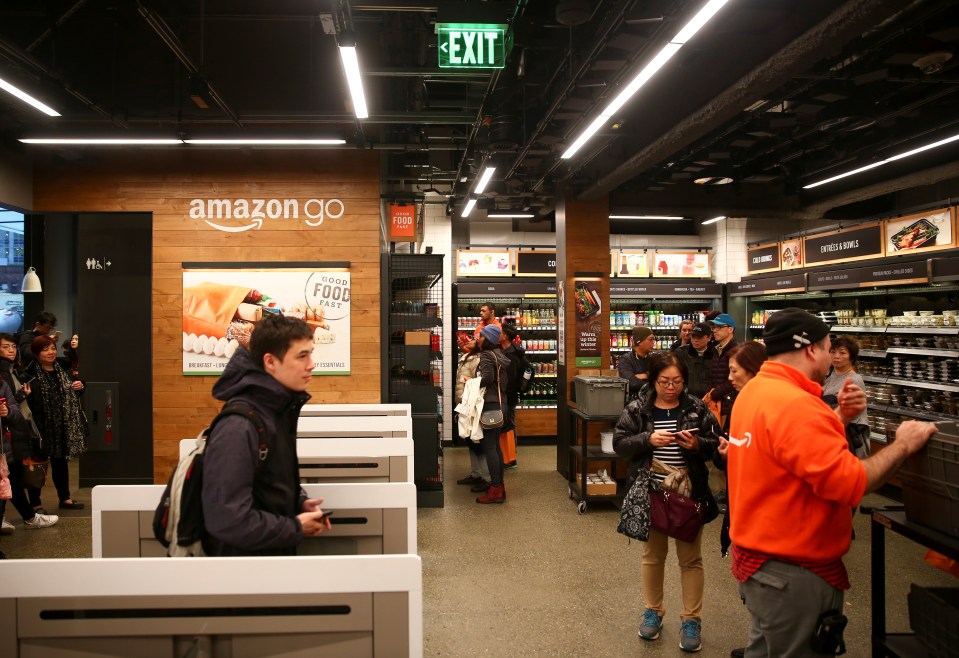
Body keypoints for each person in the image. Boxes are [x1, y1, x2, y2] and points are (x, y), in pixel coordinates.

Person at [724, 308, 937, 657]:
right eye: (828, 347)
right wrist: (903, 444)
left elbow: (789, 451)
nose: (831, 356)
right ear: (810, 349)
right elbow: (850, 483)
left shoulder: (756, 392)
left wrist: (838, 417)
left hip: (759, 563)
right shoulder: (796, 406)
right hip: (793, 572)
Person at [613, 352, 721, 653]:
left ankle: (692, 619)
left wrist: (698, 444)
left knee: (690, 559)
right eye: (664, 381)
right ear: (654, 378)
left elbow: (716, 444)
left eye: (677, 381)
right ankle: (653, 610)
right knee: (653, 555)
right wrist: (647, 439)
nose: (671, 387)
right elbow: (619, 444)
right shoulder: (638, 408)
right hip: (653, 491)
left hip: (689, 492)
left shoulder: (697, 408)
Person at [200, 314, 332, 555]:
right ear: (270, 362)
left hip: (266, 567)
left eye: (311, 353)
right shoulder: (239, 427)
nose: (311, 364)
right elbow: (227, 520)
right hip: (244, 578)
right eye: (302, 356)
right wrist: (294, 526)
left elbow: (264, 483)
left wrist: (297, 501)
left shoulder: (275, 409)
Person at [0, 333, 57, 530]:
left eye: (13, 347)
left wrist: (17, 398)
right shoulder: (4, 371)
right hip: (8, 434)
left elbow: (10, 404)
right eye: (6, 347)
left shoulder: (12, 369)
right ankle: (30, 516)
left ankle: (28, 516)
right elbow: (9, 404)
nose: (11, 350)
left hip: (14, 430)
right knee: (10, 479)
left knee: (10, 479)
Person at [24, 335, 87, 511]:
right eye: (45, 349)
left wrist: (80, 386)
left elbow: (75, 391)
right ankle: (35, 504)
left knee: (61, 462)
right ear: (36, 353)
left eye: (52, 348)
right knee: (38, 465)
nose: (51, 352)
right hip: (39, 427)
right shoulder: (29, 375)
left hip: (62, 425)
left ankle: (64, 498)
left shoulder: (62, 368)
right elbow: (24, 403)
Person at [474, 323, 510, 504]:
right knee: (496, 447)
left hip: (490, 405)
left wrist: (471, 382)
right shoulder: (500, 355)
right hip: (501, 404)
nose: (478, 339)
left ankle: (495, 489)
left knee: (489, 448)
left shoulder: (487, 355)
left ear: (486, 339)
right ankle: (499, 486)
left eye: (480, 336)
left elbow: (487, 379)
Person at [822, 336, 869, 458]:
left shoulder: (854, 380)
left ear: (852, 357)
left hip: (852, 440)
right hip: (835, 435)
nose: (836, 356)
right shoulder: (830, 376)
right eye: (833, 352)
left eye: (842, 353)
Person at [454, 339, 490, 492]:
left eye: (471, 340)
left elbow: (480, 380)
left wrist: (467, 381)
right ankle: (476, 474)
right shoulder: (466, 357)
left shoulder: (477, 359)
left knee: (478, 443)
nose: (465, 341)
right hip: (464, 403)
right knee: (470, 442)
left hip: (472, 404)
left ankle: (487, 478)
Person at [498, 323, 524, 469]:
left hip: (509, 396)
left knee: (509, 425)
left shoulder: (512, 355)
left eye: (500, 333)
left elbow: (511, 379)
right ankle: (505, 455)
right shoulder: (503, 350)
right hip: (504, 395)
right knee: (505, 424)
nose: (498, 335)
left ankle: (510, 457)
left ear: (505, 336)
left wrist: (504, 392)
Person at [706, 313, 738, 419]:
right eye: (714, 327)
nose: (715, 330)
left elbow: (735, 380)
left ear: (730, 329)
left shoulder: (736, 351)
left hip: (728, 405)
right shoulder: (716, 350)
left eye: (719, 327)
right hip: (716, 404)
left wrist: (714, 394)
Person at [674, 323, 716, 398]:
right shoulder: (681, 353)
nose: (695, 340)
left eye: (699, 337)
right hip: (686, 399)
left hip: (709, 399)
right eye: (693, 336)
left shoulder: (716, 355)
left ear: (709, 338)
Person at [618, 326, 657, 399]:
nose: (653, 342)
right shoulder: (626, 359)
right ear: (639, 342)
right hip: (632, 401)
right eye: (650, 339)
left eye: (653, 340)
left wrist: (645, 375)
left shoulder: (654, 358)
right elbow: (631, 382)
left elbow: (659, 376)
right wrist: (653, 385)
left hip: (652, 400)